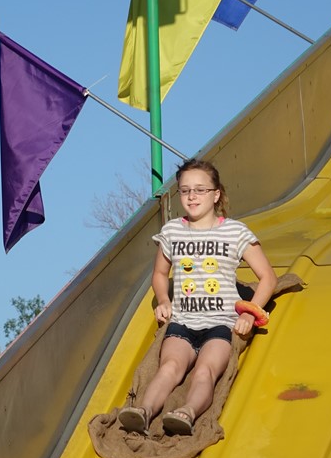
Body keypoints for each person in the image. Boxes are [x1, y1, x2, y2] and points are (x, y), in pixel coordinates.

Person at [118, 159, 278, 436]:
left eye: (200, 190)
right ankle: (143, 412)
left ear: (216, 194)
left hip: (221, 324)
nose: (192, 196)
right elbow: (159, 274)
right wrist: (163, 300)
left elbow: (268, 277)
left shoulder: (235, 232)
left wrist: (249, 313)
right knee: (169, 367)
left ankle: (187, 413)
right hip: (183, 321)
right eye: (185, 190)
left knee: (205, 371)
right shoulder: (172, 231)